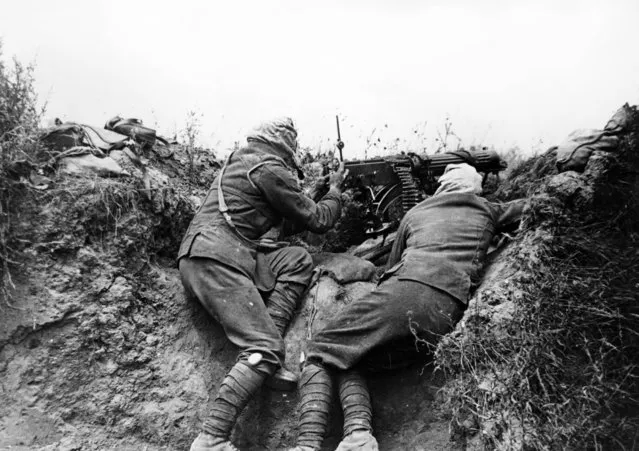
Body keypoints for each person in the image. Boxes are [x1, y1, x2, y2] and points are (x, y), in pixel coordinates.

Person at [290, 163, 525, 451]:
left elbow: (390, 268)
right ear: (474, 188)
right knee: (353, 357)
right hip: (447, 315)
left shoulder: (418, 211)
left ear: (443, 186)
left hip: (406, 292)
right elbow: (528, 206)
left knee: (319, 349)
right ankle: (358, 439)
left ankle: (307, 445)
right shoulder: (487, 208)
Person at [178, 117, 347, 451]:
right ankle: (211, 438)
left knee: (296, 259)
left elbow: (288, 226)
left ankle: (270, 344)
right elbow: (318, 220)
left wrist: (313, 193)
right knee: (263, 348)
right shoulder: (270, 168)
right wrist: (336, 191)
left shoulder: (246, 161)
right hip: (215, 258)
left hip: (223, 251)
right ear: (285, 146)